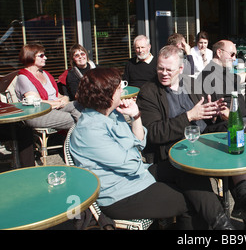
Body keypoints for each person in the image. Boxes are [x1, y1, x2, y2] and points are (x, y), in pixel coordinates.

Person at [70, 67, 234, 230]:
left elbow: (140, 143)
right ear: (106, 94)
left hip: (140, 174)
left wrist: (136, 117)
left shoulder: (114, 114)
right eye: (119, 88)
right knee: (193, 200)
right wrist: (133, 148)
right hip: (120, 194)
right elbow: (132, 164)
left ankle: (224, 227)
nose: (123, 91)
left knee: (189, 170)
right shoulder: (89, 131)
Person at [137, 45, 246, 229]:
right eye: (160, 68)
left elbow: (204, 113)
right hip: (176, 148)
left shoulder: (190, 83)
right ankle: (242, 217)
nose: (163, 73)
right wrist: (189, 116)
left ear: (180, 69)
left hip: (200, 136)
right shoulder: (149, 92)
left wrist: (215, 110)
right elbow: (154, 133)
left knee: (236, 131)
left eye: (168, 69)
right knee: (193, 168)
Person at [15, 44, 81, 130]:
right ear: (30, 56)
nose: (45, 58)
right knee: (74, 119)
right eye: (41, 56)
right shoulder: (23, 78)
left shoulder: (45, 74)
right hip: (38, 114)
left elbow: (57, 95)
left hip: (55, 108)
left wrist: (65, 98)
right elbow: (37, 102)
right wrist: (58, 103)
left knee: (82, 106)